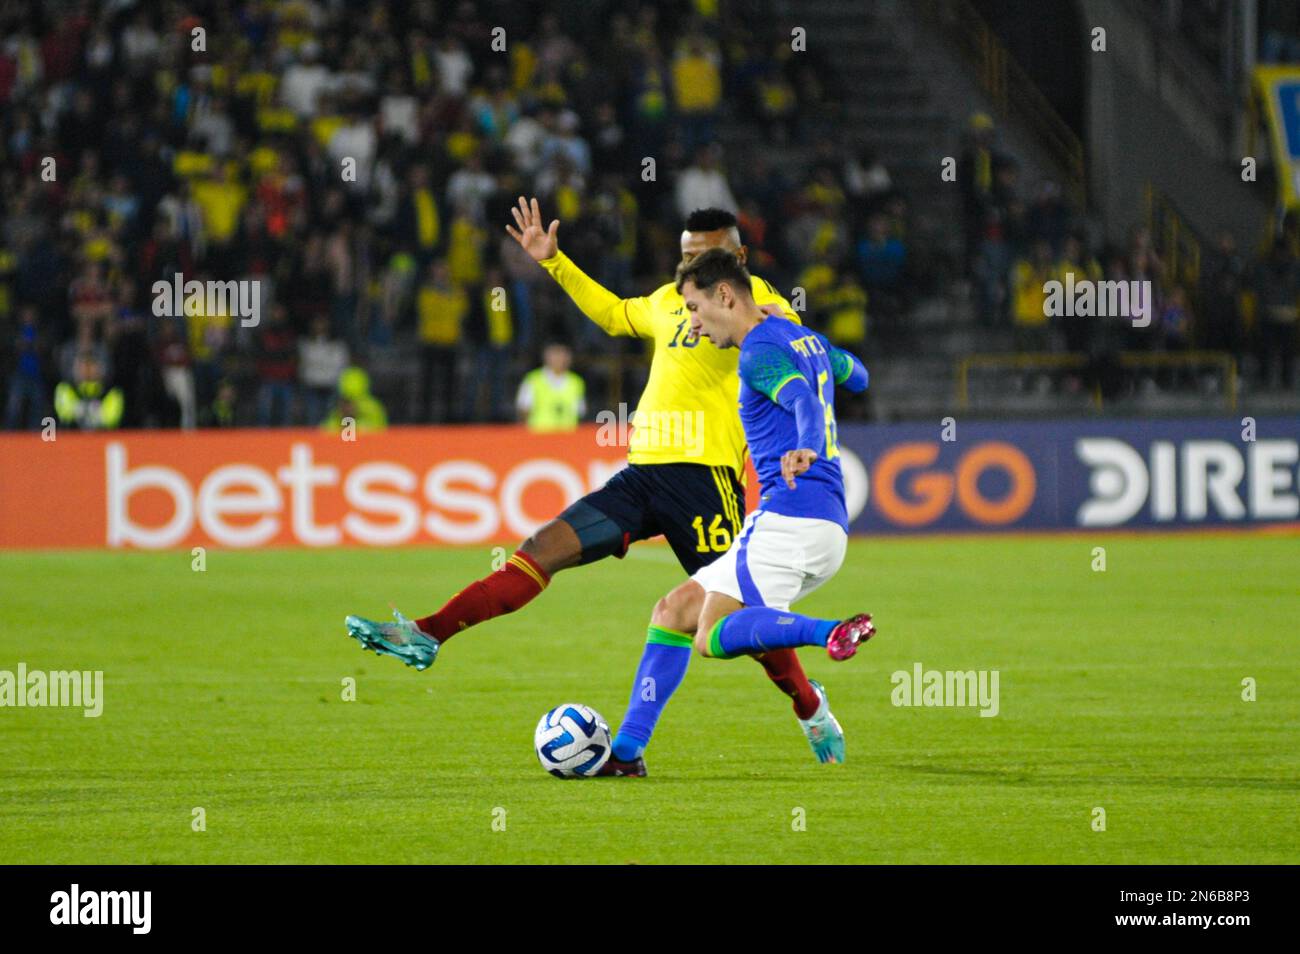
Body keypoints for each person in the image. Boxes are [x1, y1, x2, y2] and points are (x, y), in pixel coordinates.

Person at [345, 201, 825, 776]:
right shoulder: (670, 300)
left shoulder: (761, 310)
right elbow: (615, 313)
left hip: (707, 479)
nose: (692, 269)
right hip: (642, 475)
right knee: (540, 547)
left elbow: (803, 361)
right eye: (686, 256)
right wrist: (554, 262)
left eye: (707, 257)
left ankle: (808, 703)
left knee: (731, 617)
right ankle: (427, 634)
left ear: (738, 260)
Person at [674, 249, 875, 758]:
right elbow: (859, 377)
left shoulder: (758, 351)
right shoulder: (797, 336)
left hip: (790, 516)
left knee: (711, 635)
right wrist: (803, 338)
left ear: (725, 295)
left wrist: (805, 443)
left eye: (695, 308)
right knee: (679, 612)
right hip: (827, 523)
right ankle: (810, 706)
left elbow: (803, 400)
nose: (693, 323)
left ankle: (829, 632)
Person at [516, 343, 584, 432]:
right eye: (555, 354)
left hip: (567, 435)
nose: (559, 359)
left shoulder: (576, 382)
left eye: (562, 355)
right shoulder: (533, 379)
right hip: (539, 434)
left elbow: (579, 412)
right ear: (546, 357)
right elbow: (524, 409)